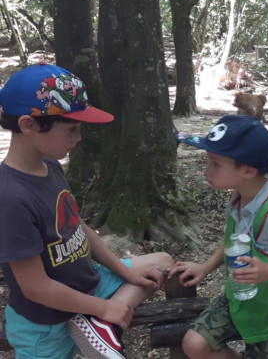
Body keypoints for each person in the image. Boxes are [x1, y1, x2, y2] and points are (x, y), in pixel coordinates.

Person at [0, 63, 173, 359]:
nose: (78, 139)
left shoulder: (51, 166)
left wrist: (122, 272)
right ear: (29, 125)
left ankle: (99, 326)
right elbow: (36, 288)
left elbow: (77, 227)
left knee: (161, 261)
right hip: (46, 323)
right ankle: (101, 319)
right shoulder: (10, 197)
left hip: (90, 285)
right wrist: (106, 307)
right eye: (71, 129)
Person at [170, 114, 268, 359]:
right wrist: (206, 266)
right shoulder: (239, 196)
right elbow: (235, 238)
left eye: (216, 164)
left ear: (248, 171)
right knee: (194, 344)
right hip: (239, 300)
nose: (207, 170)